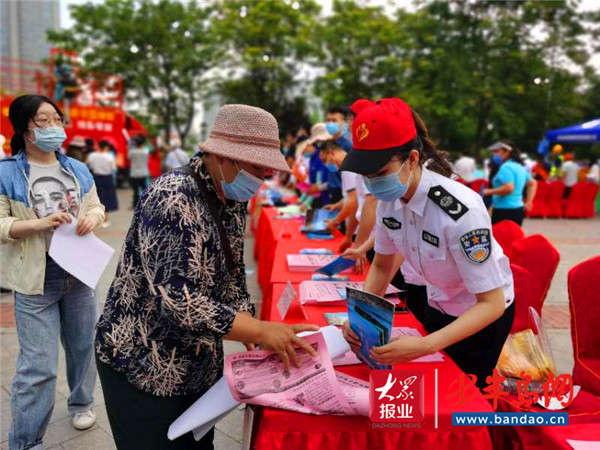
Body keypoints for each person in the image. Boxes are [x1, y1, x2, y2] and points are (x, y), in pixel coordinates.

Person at [95, 104, 319, 450]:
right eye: (256, 168)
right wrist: (260, 330)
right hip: (144, 362)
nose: (260, 181)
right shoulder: (174, 198)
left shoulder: (227, 194)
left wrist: (250, 326)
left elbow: (231, 274)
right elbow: (179, 301)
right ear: (222, 156)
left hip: (196, 362)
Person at [339, 98, 514, 389]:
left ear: (412, 158)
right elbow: (382, 265)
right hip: (439, 302)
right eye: (366, 176)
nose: (372, 184)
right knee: (427, 390)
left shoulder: (459, 212)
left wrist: (425, 345)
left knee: (462, 400)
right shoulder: (390, 202)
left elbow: (491, 303)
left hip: (479, 318)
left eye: (380, 174)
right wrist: (360, 317)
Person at [0, 95, 106, 450]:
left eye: (57, 119)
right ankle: (26, 442)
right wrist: (38, 223)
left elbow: (96, 206)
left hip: (78, 275)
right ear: (24, 128)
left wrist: (93, 218)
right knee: (38, 368)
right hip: (35, 281)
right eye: (43, 120)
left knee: (83, 347)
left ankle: (81, 403)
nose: (53, 127)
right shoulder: (6, 172)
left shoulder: (77, 168)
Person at [483, 141, 537, 226]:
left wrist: (488, 191)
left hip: (503, 210)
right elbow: (532, 183)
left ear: (507, 152)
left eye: (498, 151)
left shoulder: (506, 167)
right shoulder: (519, 166)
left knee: (499, 238)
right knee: (514, 237)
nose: (495, 154)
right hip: (518, 209)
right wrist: (529, 201)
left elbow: (509, 188)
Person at [87, 139, 119, 226]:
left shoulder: (92, 155)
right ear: (106, 147)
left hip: (96, 177)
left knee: (96, 198)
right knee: (107, 199)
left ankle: (96, 218)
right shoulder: (109, 156)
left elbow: (90, 166)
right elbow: (113, 168)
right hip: (107, 178)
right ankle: (105, 219)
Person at [128, 134, 149, 208]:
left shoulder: (132, 152)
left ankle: (135, 204)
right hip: (143, 172)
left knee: (135, 190)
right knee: (145, 189)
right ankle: (146, 203)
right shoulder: (146, 151)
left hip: (134, 173)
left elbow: (129, 158)